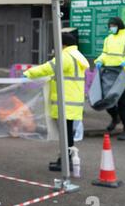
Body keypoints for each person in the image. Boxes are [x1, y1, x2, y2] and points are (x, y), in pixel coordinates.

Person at [24, 33, 89, 171]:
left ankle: (66, 162)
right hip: (72, 102)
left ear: (63, 44)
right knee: (67, 133)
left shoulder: (65, 57)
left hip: (66, 102)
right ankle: (65, 160)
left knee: (66, 134)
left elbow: (48, 68)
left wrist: (28, 73)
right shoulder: (77, 56)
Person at [95, 17, 125, 141]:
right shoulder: (108, 39)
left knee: (123, 104)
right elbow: (105, 53)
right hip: (109, 76)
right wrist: (100, 60)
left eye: (113, 25)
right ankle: (115, 117)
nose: (111, 27)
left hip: (124, 77)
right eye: (110, 25)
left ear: (119, 25)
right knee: (107, 101)